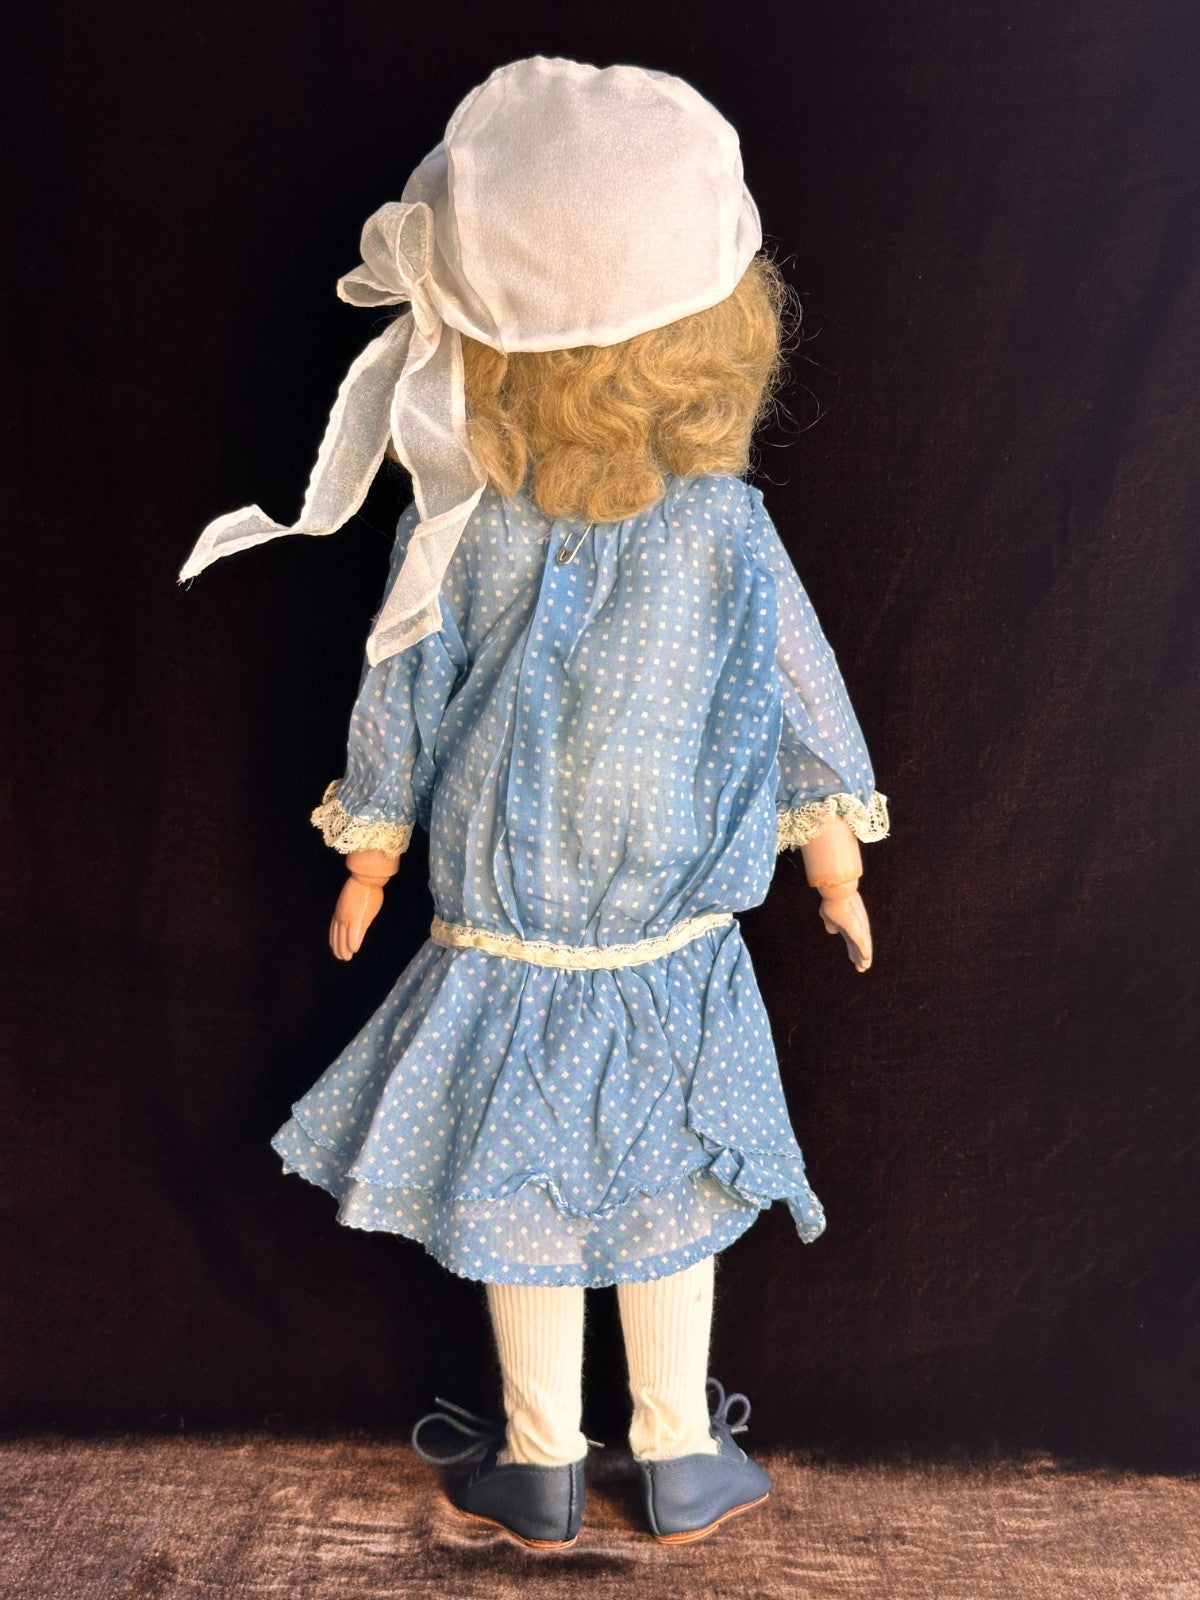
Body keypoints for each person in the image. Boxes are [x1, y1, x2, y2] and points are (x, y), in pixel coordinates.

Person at [179, 55, 890, 1551]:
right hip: (665, 951)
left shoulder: (469, 529)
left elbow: (402, 692)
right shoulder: (721, 530)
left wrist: (373, 851)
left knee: (527, 1201)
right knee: (669, 1192)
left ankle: (543, 1460)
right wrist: (831, 858)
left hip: (517, 947)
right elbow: (798, 694)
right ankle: (678, 1452)